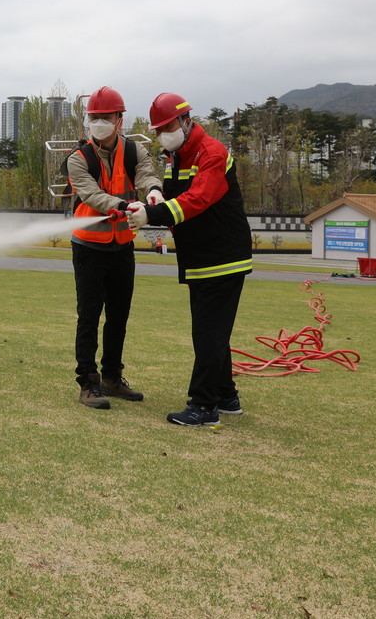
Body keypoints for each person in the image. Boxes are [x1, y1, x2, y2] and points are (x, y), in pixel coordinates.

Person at [127, 93, 252, 427]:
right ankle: (226, 395)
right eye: (158, 130)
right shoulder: (175, 156)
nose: (162, 134)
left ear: (185, 120)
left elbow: (199, 198)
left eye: (167, 126)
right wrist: (157, 196)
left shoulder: (212, 152)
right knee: (214, 331)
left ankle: (204, 405)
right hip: (200, 257)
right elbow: (178, 199)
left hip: (222, 257)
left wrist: (151, 213)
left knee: (208, 332)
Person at [65, 86, 162, 409]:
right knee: (89, 316)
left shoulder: (135, 152)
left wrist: (153, 195)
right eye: (94, 117)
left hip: (122, 246)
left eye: (106, 117)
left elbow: (146, 175)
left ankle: (112, 377)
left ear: (119, 120)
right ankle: (88, 382)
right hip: (89, 246)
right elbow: (91, 194)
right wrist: (121, 204)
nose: (99, 122)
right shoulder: (78, 159)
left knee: (119, 316)